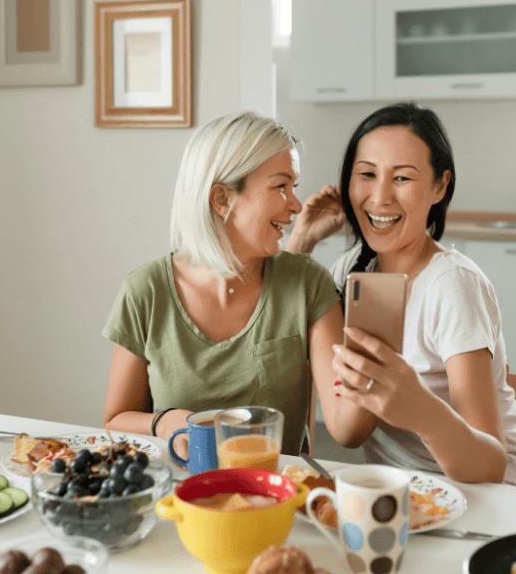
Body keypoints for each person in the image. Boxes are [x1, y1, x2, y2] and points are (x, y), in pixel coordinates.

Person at [286, 103, 516, 489]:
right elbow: (348, 427)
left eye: (401, 178)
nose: (379, 198)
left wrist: (420, 409)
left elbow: (489, 466)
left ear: (440, 186)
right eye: (365, 174)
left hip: (502, 503)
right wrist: (303, 239)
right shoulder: (354, 272)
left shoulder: (451, 284)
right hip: (413, 500)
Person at [101, 112, 370, 460]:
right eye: (280, 186)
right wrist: (164, 422)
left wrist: (376, 354)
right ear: (222, 199)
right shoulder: (146, 291)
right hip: (180, 499)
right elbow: (115, 420)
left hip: (273, 498)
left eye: (294, 187)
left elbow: (346, 430)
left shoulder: (308, 284)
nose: (296, 205)